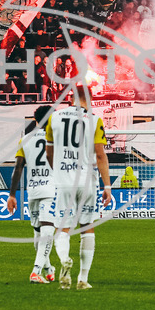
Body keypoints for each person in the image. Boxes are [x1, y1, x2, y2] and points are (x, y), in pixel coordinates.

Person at [46, 85, 112, 290]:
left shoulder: (54, 118)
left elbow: (49, 152)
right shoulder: (95, 119)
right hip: (86, 181)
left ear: (71, 98)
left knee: (62, 228)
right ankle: (83, 279)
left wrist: (58, 170)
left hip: (64, 181)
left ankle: (64, 259)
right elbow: (100, 155)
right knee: (87, 227)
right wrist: (107, 185)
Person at [6, 105, 56, 284]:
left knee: (38, 230)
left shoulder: (25, 139)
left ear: (36, 120)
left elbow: (18, 167)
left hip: (33, 190)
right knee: (48, 229)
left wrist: (12, 194)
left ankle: (48, 269)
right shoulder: (57, 138)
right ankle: (35, 272)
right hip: (51, 188)